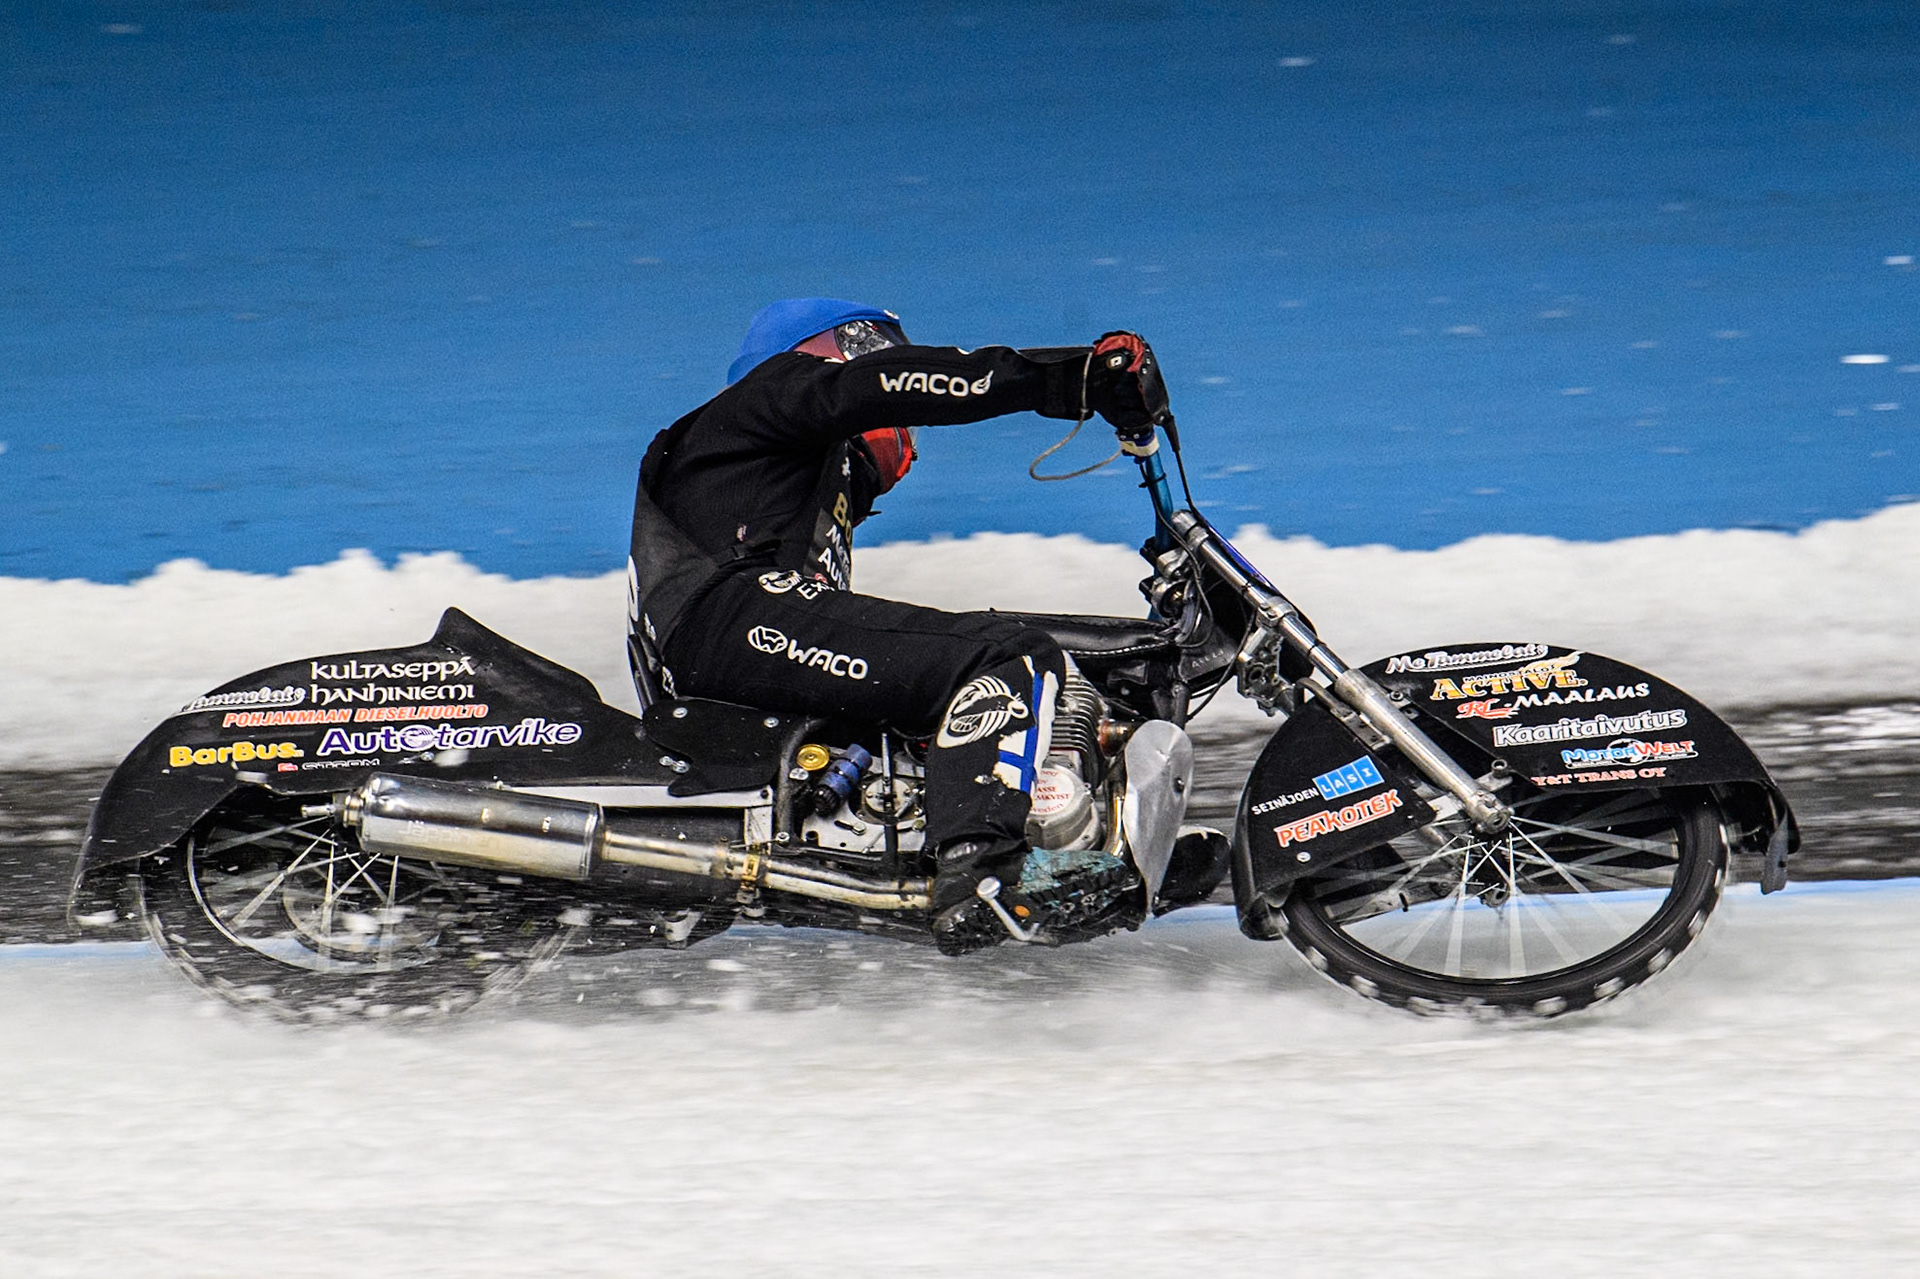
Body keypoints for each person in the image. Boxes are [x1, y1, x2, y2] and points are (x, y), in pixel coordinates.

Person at [626, 298, 1168, 952]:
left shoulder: (776, 494)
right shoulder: (780, 388)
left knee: (961, 674)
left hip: (731, 637)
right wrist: (1069, 378)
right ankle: (977, 866)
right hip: (731, 617)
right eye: (886, 349)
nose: (906, 434)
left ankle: (1060, 841)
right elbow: (874, 386)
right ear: (838, 348)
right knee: (1005, 655)